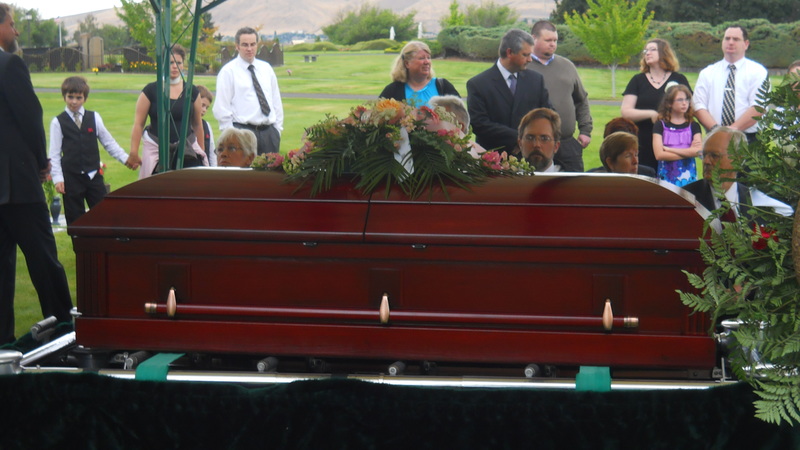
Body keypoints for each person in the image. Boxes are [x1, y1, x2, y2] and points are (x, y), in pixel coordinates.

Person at [0, 3, 73, 343]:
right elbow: (30, 118)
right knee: (44, 260)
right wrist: (43, 161)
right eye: (12, 24)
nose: (16, 31)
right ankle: (64, 330)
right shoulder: (10, 65)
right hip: (16, 182)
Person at [49, 76, 132, 225]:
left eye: (78, 98)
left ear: (85, 99)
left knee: (102, 214)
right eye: (70, 97)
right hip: (71, 179)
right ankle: (80, 247)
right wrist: (58, 179)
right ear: (64, 97)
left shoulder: (94, 118)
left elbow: (108, 142)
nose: (74, 101)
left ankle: (102, 246)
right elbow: (54, 154)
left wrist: (125, 159)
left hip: (93, 176)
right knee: (75, 219)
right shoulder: (58, 122)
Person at [467, 28, 551, 155]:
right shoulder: (478, 84)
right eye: (525, 55)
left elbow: (548, 114)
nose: (530, 60)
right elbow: (479, 124)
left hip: (531, 157)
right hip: (492, 159)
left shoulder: (536, 80)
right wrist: (519, 137)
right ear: (510, 52)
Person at [129, 44, 206, 179]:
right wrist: (133, 152)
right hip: (155, 148)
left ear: (183, 64)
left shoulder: (192, 91)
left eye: (178, 62)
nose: (175, 66)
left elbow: (198, 125)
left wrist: (201, 151)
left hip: (187, 149)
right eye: (170, 62)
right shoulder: (150, 91)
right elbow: (138, 124)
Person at [683, 127, 792, 218]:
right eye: (704, 155)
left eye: (714, 156)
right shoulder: (685, 198)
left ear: (738, 159)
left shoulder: (758, 203)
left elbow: (787, 214)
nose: (706, 161)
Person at [528, 20, 592, 172]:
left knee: (574, 188)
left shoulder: (567, 66)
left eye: (555, 40)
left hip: (567, 143)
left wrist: (585, 131)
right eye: (548, 40)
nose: (553, 44)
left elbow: (581, 100)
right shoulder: (524, 65)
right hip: (534, 145)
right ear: (533, 39)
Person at [621, 38, 691, 172]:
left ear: (664, 53)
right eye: (646, 50)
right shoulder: (638, 80)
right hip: (643, 142)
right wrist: (651, 114)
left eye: (653, 49)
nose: (647, 53)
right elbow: (625, 111)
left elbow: (688, 108)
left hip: (672, 142)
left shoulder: (679, 79)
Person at [214, 27, 284, 155]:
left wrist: (277, 131)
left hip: (269, 133)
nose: (249, 49)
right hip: (242, 133)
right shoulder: (228, 72)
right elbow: (221, 108)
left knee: (269, 174)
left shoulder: (266, 69)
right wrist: (233, 137)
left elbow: (276, 102)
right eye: (245, 45)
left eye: (253, 44)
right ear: (237, 46)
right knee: (244, 175)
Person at [693, 25, 768, 142]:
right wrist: (717, 130)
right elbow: (698, 105)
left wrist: (732, 130)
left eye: (736, 39)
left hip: (749, 138)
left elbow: (758, 107)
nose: (731, 42)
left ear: (746, 44)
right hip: (714, 136)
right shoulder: (707, 73)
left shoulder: (758, 72)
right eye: (727, 38)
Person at [379, 41, 460, 107]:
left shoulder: (443, 86)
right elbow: (377, 119)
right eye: (421, 58)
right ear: (407, 63)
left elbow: (461, 118)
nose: (427, 62)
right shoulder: (393, 90)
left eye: (428, 57)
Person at [652, 85, 703, 187]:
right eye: (680, 100)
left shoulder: (693, 125)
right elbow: (659, 155)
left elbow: (698, 151)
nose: (684, 103)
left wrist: (670, 150)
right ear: (669, 103)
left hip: (689, 178)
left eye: (687, 99)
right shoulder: (660, 125)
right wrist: (688, 152)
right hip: (666, 178)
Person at [516, 107, 561, 172]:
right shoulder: (505, 180)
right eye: (530, 138)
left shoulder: (571, 181)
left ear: (556, 146)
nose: (536, 145)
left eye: (544, 138)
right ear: (520, 143)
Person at [196, 85, 216, 167]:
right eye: (202, 105)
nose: (204, 110)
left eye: (207, 107)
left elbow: (212, 152)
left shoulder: (206, 126)